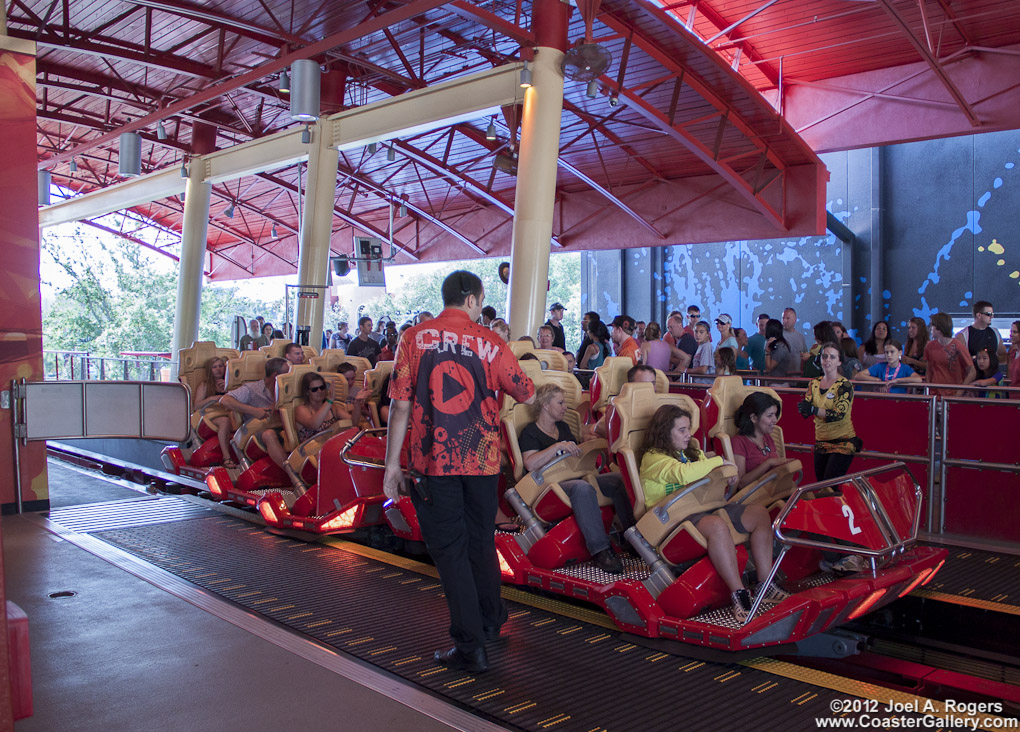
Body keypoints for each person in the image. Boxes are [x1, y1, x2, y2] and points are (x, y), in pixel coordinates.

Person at [383, 271, 536, 674]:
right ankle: (489, 623)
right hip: (483, 460)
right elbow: (525, 390)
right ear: (473, 300)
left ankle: (470, 647)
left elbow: (399, 406)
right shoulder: (491, 340)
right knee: (480, 543)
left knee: (450, 552)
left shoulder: (414, 338)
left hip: (434, 463)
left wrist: (391, 465)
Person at [638, 404, 788, 622]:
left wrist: (726, 473)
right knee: (718, 526)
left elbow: (708, 468)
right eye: (682, 430)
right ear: (664, 432)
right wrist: (719, 461)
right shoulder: (653, 458)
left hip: (705, 505)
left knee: (759, 514)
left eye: (688, 428)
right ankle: (739, 593)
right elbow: (683, 474)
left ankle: (766, 585)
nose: (688, 434)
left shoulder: (691, 452)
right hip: (674, 517)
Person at [519, 384, 634, 575]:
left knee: (618, 480)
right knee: (582, 488)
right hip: (547, 487)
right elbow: (530, 463)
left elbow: (577, 455)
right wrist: (557, 447)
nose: (565, 407)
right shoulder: (530, 432)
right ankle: (600, 550)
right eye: (561, 403)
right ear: (546, 405)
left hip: (571, 476)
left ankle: (632, 538)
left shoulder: (563, 427)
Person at [215, 357, 290, 471]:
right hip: (256, 431)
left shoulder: (287, 390)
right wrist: (253, 410)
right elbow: (225, 400)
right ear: (276, 376)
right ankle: (292, 475)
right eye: (286, 375)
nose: (288, 378)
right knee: (269, 434)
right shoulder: (252, 388)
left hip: (283, 427)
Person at [797, 342, 859, 481]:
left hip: (843, 441)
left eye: (832, 357)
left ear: (839, 361)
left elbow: (838, 414)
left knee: (830, 485)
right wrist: (804, 409)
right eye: (825, 356)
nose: (827, 360)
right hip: (821, 441)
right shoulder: (813, 383)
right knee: (821, 483)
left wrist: (813, 409)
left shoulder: (845, 385)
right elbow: (808, 406)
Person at [731, 392, 794, 490]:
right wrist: (768, 463)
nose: (775, 419)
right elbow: (741, 484)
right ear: (754, 418)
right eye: (770, 415)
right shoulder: (739, 442)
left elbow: (777, 466)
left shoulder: (767, 438)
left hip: (773, 492)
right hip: (754, 498)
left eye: (775, 414)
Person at [924, 313, 976, 396]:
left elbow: (972, 371)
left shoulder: (959, 347)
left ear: (939, 328)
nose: (930, 329)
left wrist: (960, 391)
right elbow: (929, 370)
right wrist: (928, 389)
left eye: (932, 326)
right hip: (934, 394)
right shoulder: (929, 346)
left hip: (953, 394)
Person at [294, 372, 350, 443]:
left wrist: (357, 403)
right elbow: (314, 424)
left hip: (333, 446)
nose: (319, 391)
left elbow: (352, 422)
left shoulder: (332, 407)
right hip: (311, 450)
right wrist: (329, 400)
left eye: (322, 387)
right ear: (307, 392)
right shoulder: (301, 409)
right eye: (315, 389)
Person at [854, 339, 921, 394]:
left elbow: (918, 379)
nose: (889, 355)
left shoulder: (905, 368)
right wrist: (877, 381)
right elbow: (858, 376)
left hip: (899, 403)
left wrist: (897, 380)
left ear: (900, 352)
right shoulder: (880, 366)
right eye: (886, 352)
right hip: (882, 402)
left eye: (892, 352)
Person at [763, 319, 792, 384]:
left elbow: (769, 368)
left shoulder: (781, 347)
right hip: (774, 382)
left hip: (778, 384)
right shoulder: (776, 345)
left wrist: (767, 351)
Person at [782, 308, 807, 372]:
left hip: (797, 376)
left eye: (788, 318)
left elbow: (805, 355)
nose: (784, 321)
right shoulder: (778, 336)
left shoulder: (800, 337)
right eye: (783, 318)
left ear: (795, 320)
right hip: (781, 377)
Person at [1009, 321, 1020, 397]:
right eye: (1011, 331)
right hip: (1013, 396)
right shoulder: (1013, 353)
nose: (1011, 335)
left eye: (1015, 332)